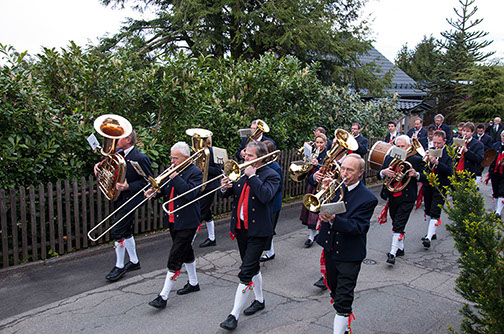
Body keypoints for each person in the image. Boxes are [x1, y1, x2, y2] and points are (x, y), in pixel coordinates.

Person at [218, 141, 280, 331]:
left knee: (246, 271)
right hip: (241, 228)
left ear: (261, 157)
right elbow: (227, 196)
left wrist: (253, 177)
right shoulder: (241, 173)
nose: (245, 158)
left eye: (250, 156)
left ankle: (233, 315)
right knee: (252, 267)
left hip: (259, 230)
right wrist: (224, 187)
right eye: (245, 155)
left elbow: (265, 196)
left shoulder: (272, 175)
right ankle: (259, 300)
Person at [316, 154, 378, 334]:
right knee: (335, 293)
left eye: (349, 170)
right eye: (343, 168)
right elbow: (321, 207)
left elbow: (358, 227)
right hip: (330, 248)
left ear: (360, 173)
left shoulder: (368, 198)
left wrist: (335, 220)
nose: (344, 173)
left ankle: (340, 327)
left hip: (350, 254)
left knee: (343, 300)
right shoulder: (335, 188)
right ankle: (345, 327)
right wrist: (324, 190)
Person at [146, 142, 203, 309]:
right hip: (173, 219)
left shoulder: (195, 172)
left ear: (186, 158)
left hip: (188, 221)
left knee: (175, 257)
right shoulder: (174, 171)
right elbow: (167, 190)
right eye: (171, 157)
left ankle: (163, 296)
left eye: (175, 158)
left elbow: (190, 194)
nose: (172, 161)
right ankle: (194, 283)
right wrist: (154, 193)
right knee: (186, 252)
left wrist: (175, 177)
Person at [94, 130, 153, 282]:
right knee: (126, 231)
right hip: (118, 198)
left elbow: (148, 182)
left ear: (127, 139)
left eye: (119, 138)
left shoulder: (140, 157)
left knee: (117, 232)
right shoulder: (117, 155)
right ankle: (134, 261)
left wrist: (129, 187)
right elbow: (108, 170)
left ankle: (119, 266)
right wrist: (98, 167)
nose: (115, 140)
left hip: (131, 199)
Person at [377, 135, 426, 265]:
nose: (399, 149)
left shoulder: (415, 159)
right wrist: (384, 173)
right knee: (395, 222)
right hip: (392, 195)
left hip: (407, 196)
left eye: (402, 146)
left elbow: (427, 177)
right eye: (397, 146)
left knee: (399, 223)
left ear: (409, 147)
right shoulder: (389, 158)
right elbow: (378, 174)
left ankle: (392, 252)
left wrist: (416, 174)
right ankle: (400, 248)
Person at [421, 130, 453, 248]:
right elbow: (422, 168)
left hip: (441, 185)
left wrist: (437, 163)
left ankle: (428, 237)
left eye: (439, 143)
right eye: (434, 143)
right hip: (428, 184)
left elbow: (450, 171)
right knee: (428, 208)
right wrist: (425, 159)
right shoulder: (430, 150)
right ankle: (431, 233)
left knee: (435, 210)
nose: (436, 145)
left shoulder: (449, 153)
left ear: (444, 141)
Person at [300, 133, 328, 248]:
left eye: (321, 143)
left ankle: (316, 234)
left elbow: (327, 169)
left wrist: (318, 165)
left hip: (322, 186)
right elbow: (306, 173)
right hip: (312, 184)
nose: (319, 145)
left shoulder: (327, 155)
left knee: (319, 212)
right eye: (317, 142)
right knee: (311, 210)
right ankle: (311, 235)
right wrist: (310, 165)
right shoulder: (312, 154)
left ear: (325, 143)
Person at [260, 140, 283, 262]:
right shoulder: (263, 165)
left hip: (273, 203)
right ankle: (271, 251)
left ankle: (268, 252)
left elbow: (279, 186)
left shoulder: (275, 167)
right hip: (266, 202)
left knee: (268, 229)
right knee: (267, 228)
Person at [198, 137, 224, 248]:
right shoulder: (197, 152)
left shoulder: (214, 152)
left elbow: (219, 171)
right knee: (206, 213)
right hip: (199, 186)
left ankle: (187, 242)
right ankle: (212, 238)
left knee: (199, 214)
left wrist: (205, 168)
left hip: (209, 187)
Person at [488, 131, 504, 219]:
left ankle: (498, 212)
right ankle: (497, 209)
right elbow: (490, 156)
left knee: (502, 191)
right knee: (495, 191)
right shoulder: (496, 145)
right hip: (494, 171)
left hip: (503, 173)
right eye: (503, 136)